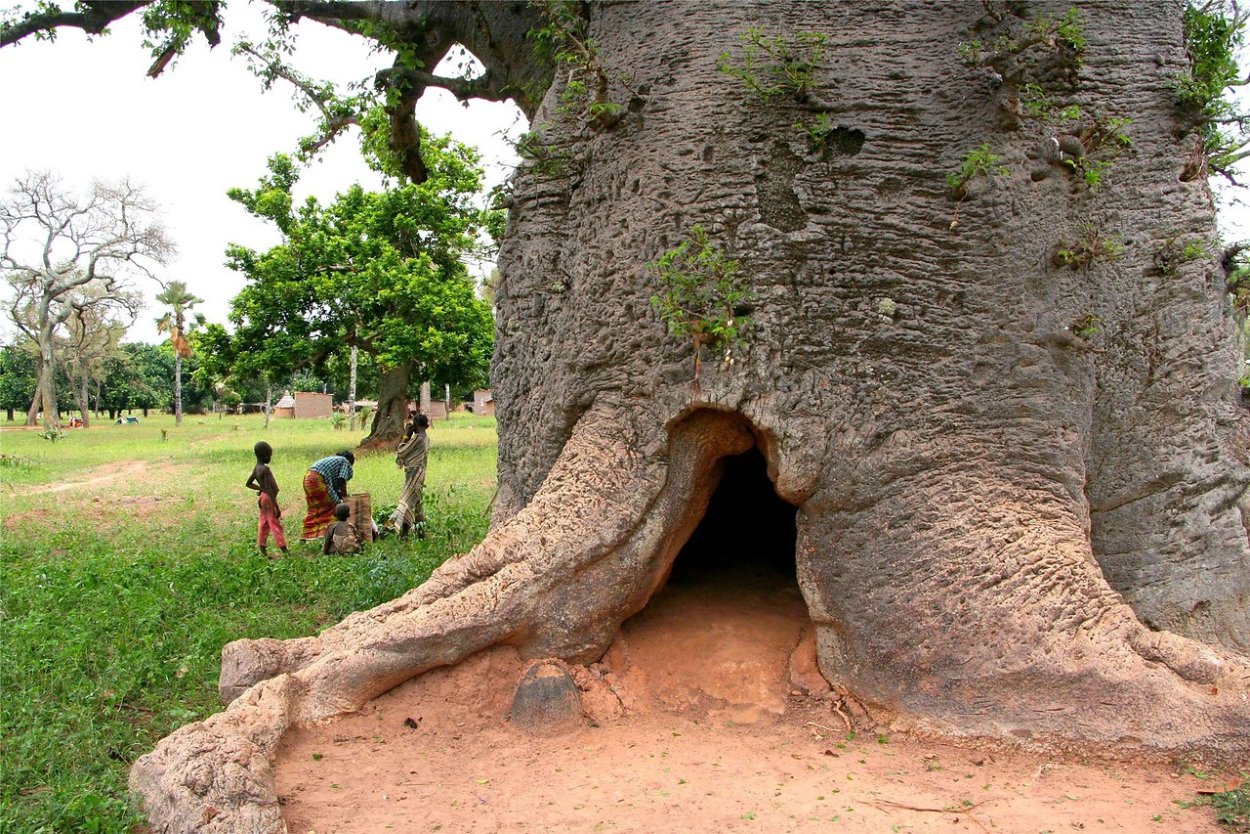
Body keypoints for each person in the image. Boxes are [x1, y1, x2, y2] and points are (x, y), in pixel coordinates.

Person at [389, 412, 430, 539]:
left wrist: (407, 434)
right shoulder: (426, 438)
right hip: (420, 473)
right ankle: (420, 533)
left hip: (413, 473)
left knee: (406, 502)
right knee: (417, 503)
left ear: (416, 424)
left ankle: (403, 533)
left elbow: (401, 452)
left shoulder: (417, 439)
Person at [246, 440, 289, 558]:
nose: (270, 458)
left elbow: (248, 483)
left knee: (264, 523)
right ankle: (284, 549)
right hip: (269, 499)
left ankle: (262, 549)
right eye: (269, 455)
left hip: (262, 498)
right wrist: (276, 507)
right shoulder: (265, 469)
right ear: (264, 455)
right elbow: (270, 490)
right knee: (275, 523)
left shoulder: (256, 468)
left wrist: (260, 488)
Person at [302, 450, 355, 541]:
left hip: (308, 479)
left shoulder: (333, 461)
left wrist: (339, 496)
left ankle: (307, 535)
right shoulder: (345, 461)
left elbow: (333, 488)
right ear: (350, 461)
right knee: (333, 508)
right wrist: (346, 499)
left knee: (315, 509)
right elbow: (341, 480)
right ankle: (329, 535)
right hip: (318, 480)